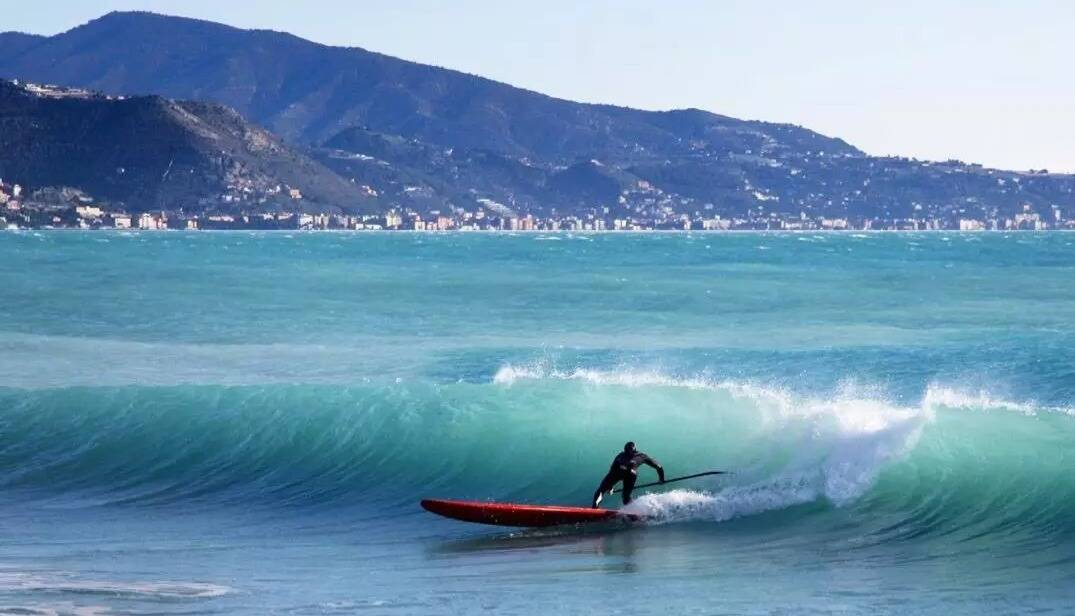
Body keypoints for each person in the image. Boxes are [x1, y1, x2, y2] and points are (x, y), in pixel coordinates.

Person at [591, 441, 665, 508]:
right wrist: (661, 479)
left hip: (623, 472)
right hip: (629, 474)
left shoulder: (621, 455)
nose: (629, 454)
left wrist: (610, 486)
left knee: (601, 491)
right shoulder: (642, 456)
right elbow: (659, 467)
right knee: (625, 497)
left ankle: (594, 508)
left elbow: (612, 469)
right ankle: (633, 511)